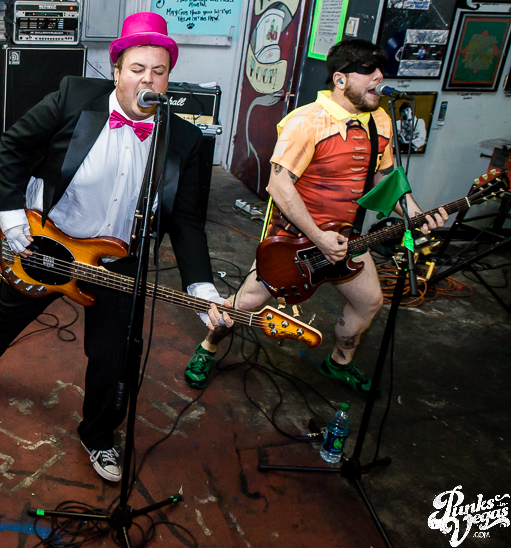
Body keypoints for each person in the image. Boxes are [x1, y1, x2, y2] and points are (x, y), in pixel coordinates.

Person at [0, 12, 233, 483]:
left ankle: (98, 435)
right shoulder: (74, 98)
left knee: (114, 356)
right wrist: (10, 212)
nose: (148, 79)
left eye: (158, 71)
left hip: (119, 259)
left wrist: (201, 287)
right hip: (52, 237)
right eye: (137, 68)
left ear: (167, 79)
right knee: (7, 312)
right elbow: (13, 144)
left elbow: (186, 220)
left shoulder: (182, 138)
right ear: (117, 71)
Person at [183, 39, 447, 395]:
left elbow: (383, 179)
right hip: (294, 240)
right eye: (368, 71)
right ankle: (207, 347)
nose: (379, 78)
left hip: (345, 238)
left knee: (369, 301)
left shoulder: (381, 121)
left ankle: (340, 362)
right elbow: (279, 186)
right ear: (340, 79)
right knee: (244, 304)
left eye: (380, 70)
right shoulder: (307, 122)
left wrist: (414, 212)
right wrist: (319, 238)